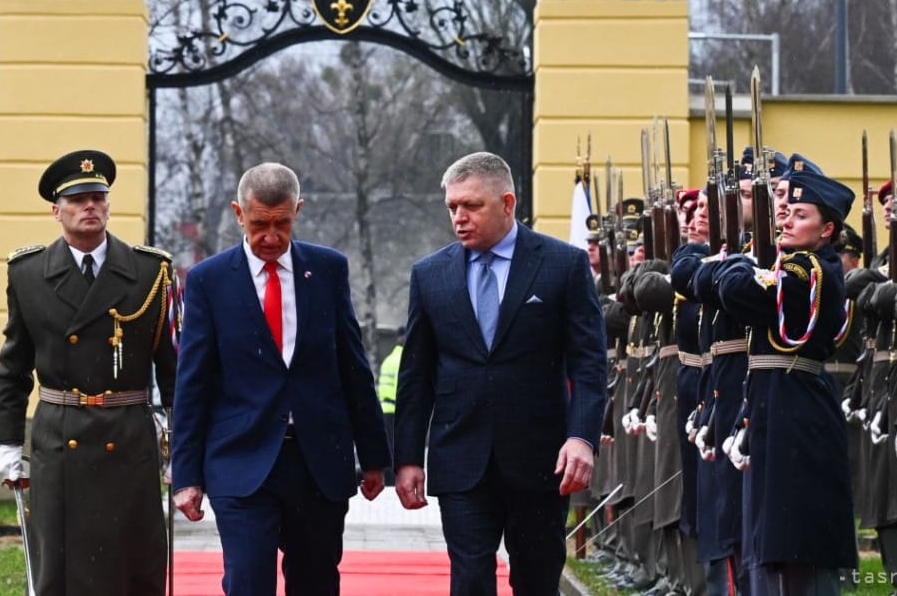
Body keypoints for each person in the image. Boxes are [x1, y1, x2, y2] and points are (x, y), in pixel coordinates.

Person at [171, 162, 391, 596]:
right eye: (259, 224)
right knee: (248, 584)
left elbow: (353, 366)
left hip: (318, 465)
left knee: (316, 584)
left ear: (298, 211)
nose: (271, 237)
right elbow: (192, 382)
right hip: (241, 462)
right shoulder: (208, 281)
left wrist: (374, 457)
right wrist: (186, 475)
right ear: (238, 214)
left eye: (282, 223)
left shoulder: (328, 270)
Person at [393, 151, 607, 595]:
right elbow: (416, 375)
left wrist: (582, 436)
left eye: (472, 206)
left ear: (507, 203)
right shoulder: (430, 275)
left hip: (542, 460)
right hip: (461, 458)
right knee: (470, 580)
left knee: (535, 580)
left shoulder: (562, 266)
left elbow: (589, 363)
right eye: (453, 207)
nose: (460, 218)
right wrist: (409, 457)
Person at [0, 149, 177, 595]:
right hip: (60, 439)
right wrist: (8, 442)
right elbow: (13, 369)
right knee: (60, 567)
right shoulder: (29, 272)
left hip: (128, 439)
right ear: (57, 211)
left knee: (133, 564)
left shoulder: (151, 271)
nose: (90, 206)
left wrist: (182, 440)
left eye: (98, 197)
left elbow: (173, 369)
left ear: (109, 205)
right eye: (77, 200)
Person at [715, 169, 858, 593]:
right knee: (770, 532)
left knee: (796, 532)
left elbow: (736, 291)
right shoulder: (793, 266)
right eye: (786, 212)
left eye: (801, 215)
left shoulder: (809, 272)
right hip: (776, 401)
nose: (787, 221)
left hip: (797, 411)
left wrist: (740, 260)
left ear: (827, 229)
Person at [377, 326, 405, 485]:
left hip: (385, 408)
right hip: (397, 409)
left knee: (389, 445)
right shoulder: (404, 359)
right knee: (398, 446)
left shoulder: (388, 359)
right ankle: (394, 479)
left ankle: (388, 478)